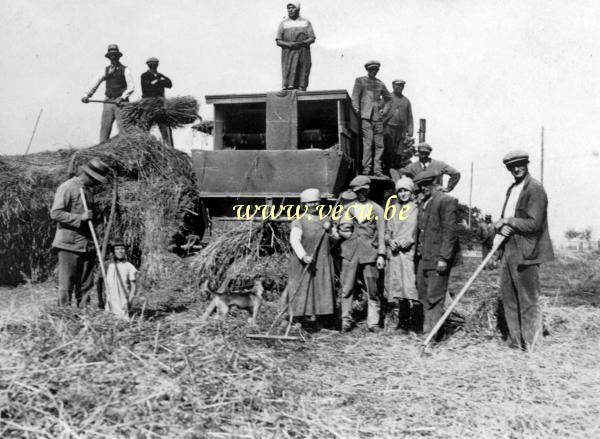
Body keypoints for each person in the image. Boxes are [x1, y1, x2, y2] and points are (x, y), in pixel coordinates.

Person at [495, 150, 554, 351]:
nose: (516, 168)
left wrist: (509, 221)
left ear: (527, 164)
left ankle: (532, 344)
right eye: (512, 166)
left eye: (520, 164)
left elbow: (534, 224)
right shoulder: (512, 189)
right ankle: (515, 340)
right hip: (509, 248)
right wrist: (500, 225)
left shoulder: (535, 188)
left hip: (526, 251)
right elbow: (506, 217)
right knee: (509, 297)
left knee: (528, 300)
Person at [50, 158, 111, 307]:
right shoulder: (67, 187)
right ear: (88, 175)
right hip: (68, 244)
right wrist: (80, 217)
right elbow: (56, 213)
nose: (97, 183)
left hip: (86, 244)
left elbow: (89, 218)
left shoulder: (88, 192)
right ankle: (64, 314)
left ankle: (84, 314)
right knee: (66, 284)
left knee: (85, 284)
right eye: (96, 180)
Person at [414, 169, 461, 339]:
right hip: (423, 257)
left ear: (434, 183)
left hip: (438, 258)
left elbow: (450, 233)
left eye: (427, 184)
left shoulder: (446, 201)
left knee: (435, 296)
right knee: (423, 294)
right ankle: (431, 330)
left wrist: (444, 258)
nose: (424, 188)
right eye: (421, 186)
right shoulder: (424, 203)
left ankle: (431, 336)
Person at [279, 188, 336, 328]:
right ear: (304, 205)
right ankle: (297, 318)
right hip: (303, 261)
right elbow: (294, 241)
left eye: (315, 202)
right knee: (301, 288)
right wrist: (303, 256)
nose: (313, 205)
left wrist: (329, 230)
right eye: (309, 203)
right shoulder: (299, 221)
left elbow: (335, 238)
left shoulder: (326, 219)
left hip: (321, 260)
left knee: (320, 287)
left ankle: (320, 319)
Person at [338, 176, 386, 332]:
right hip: (349, 253)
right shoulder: (347, 208)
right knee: (347, 288)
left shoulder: (377, 209)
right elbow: (342, 230)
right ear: (354, 192)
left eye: (364, 191)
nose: (362, 194)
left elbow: (381, 233)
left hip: (370, 254)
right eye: (358, 191)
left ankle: (373, 323)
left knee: (373, 290)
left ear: (369, 189)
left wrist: (381, 254)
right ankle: (345, 320)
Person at [384, 177, 420, 333]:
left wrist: (411, 239)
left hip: (411, 254)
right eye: (400, 191)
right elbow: (387, 230)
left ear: (411, 192)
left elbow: (422, 230)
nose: (403, 194)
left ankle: (417, 322)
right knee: (400, 289)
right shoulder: (393, 208)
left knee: (413, 287)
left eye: (406, 190)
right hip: (396, 254)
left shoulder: (417, 208)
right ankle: (403, 322)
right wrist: (389, 240)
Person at [82, 44, 134, 142]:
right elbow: (95, 82)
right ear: (108, 57)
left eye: (114, 55)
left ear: (118, 56)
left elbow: (131, 87)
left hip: (121, 104)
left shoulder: (125, 69)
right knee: (104, 129)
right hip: (108, 102)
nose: (113, 57)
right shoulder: (105, 70)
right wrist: (86, 95)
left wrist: (122, 98)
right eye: (111, 55)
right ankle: (102, 151)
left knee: (124, 130)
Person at [351, 61, 392, 177]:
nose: (373, 72)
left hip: (377, 118)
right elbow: (355, 97)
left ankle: (377, 171)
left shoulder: (380, 83)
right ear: (367, 70)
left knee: (379, 145)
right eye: (371, 70)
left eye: (375, 70)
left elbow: (389, 99)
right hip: (365, 117)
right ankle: (366, 170)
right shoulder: (360, 81)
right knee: (368, 143)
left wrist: (384, 110)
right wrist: (357, 109)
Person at [275, 2, 316, 91]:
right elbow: (278, 40)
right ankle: (288, 86)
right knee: (289, 70)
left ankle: (301, 86)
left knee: (302, 69)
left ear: (298, 9)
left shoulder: (306, 22)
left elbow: (312, 38)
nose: (290, 10)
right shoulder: (283, 24)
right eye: (288, 8)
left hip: (302, 51)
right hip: (288, 53)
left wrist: (302, 43)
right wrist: (288, 44)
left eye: (292, 8)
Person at [393, 143, 461, 191]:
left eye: (426, 153)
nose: (423, 156)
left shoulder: (439, 164)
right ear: (418, 153)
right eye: (421, 153)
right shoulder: (412, 167)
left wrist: (448, 188)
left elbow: (456, 173)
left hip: (435, 196)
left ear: (429, 153)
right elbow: (396, 172)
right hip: (419, 196)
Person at [141, 57, 173, 146]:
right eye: (152, 64)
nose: (154, 66)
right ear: (148, 65)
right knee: (145, 127)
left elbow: (169, 84)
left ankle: (169, 148)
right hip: (149, 105)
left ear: (157, 65)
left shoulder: (160, 75)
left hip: (160, 105)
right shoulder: (145, 75)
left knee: (165, 129)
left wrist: (157, 81)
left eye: (155, 64)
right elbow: (148, 87)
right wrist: (159, 81)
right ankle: (142, 146)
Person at [383, 80, 414, 173]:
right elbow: (379, 108)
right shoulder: (387, 97)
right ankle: (387, 171)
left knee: (399, 152)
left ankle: (396, 171)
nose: (399, 87)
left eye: (401, 86)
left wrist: (410, 130)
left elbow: (410, 116)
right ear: (393, 86)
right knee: (388, 150)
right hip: (389, 127)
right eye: (397, 85)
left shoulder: (406, 101)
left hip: (401, 130)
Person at [103, 239, 138, 319]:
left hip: (123, 303)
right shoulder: (108, 265)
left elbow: (133, 287)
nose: (120, 251)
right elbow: (101, 282)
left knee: (123, 321)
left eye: (122, 249)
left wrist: (129, 302)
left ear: (125, 250)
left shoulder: (129, 266)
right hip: (110, 302)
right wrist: (101, 300)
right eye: (117, 249)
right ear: (113, 251)